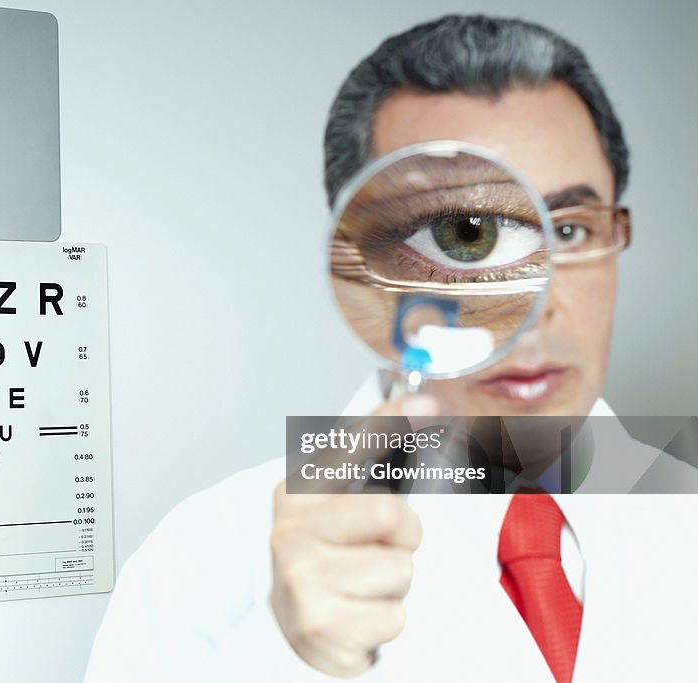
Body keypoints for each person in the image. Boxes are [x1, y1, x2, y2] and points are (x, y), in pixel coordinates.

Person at [85, 15, 698, 682]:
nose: (542, 305)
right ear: (362, 274)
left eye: (573, 231)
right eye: (465, 235)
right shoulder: (199, 560)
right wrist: (287, 659)